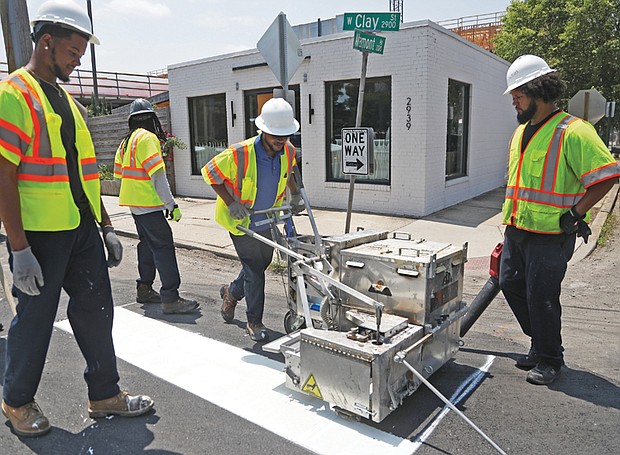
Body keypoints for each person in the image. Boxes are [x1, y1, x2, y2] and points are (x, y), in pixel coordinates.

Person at [0, 0, 154, 437]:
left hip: (81, 229)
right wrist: (19, 248)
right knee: (34, 321)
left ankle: (104, 394)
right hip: (40, 236)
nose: (77, 61)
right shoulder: (13, 95)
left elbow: (82, 172)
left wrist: (105, 227)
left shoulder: (67, 101)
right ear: (46, 43)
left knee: (95, 312)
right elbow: (3, 176)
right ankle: (16, 401)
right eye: (72, 52)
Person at [499, 54, 620, 385]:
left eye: (518, 96)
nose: (514, 102)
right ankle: (540, 341)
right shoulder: (520, 133)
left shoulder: (574, 131)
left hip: (552, 234)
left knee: (542, 297)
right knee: (509, 283)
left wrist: (575, 213)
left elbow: (607, 176)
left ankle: (551, 359)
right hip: (517, 230)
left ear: (537, 92)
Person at [202, 97, 303, 342]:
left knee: (261, 263)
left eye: (285, 136)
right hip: (241, 221)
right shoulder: (239, 153)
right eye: (275, 136)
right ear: (263, 130)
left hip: (266, 217)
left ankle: (231, 292)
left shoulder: (287, 150)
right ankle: (254, 322)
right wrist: (231, 202)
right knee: (255, 269)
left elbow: (288, 171)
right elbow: (210, 173)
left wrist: (296, 192)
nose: (281, 141)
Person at [114, 99, 199, 314]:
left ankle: (144, 288)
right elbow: (158, 177)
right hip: (149, 206)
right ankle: (170, 298)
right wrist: (172, 204)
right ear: (152, 118)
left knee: (147, 245)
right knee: (163, 248)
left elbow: (117, 178)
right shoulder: (148, 138)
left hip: (135, 207)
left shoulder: (126, 142)